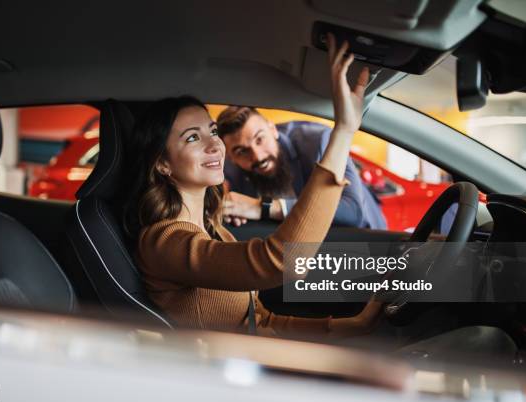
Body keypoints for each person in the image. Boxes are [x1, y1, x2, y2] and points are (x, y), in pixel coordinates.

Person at [122, 34, 381, 339]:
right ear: (162, 163)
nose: (215, 145)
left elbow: (259, 320)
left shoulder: (214, 230)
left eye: (212, 131)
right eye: (193, 137)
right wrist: (344, 131)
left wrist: (349, 326)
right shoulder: (164, 242)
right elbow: (282, 261)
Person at [217, 108, 387, 230]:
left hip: (364, 246)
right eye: (241, 151)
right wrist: (231, 211)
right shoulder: (230, 169)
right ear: (231, 157)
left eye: (260, 139)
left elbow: (352, 212)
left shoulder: (319, 142)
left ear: (273, 130)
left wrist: (263, 207)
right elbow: (237, 208)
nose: (258, 157)